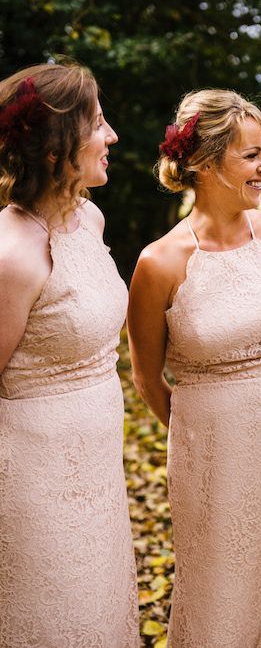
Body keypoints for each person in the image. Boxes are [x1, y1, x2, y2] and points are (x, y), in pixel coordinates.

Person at [127, 89, 261, 647]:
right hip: (215, 460)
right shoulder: (159, 263)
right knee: (221, 596)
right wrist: (207, 433)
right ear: (207, 163)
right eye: (251, 156)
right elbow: (146, 377)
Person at [0, 62, 138, 645]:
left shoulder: (89, 219)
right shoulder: (13, 254)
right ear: (56, 148)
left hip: (100, 470)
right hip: (33, 480)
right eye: (99, 124)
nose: (111, 138)